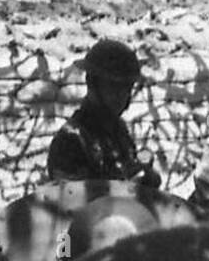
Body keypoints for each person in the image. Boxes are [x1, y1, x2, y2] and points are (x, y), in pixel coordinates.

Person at [47, 39, 161, 187]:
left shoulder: (118, 131)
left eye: (127, 87)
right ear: (93, 84)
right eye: (114, 87)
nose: (122, 95)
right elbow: (72, 202)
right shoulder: (71, 140)